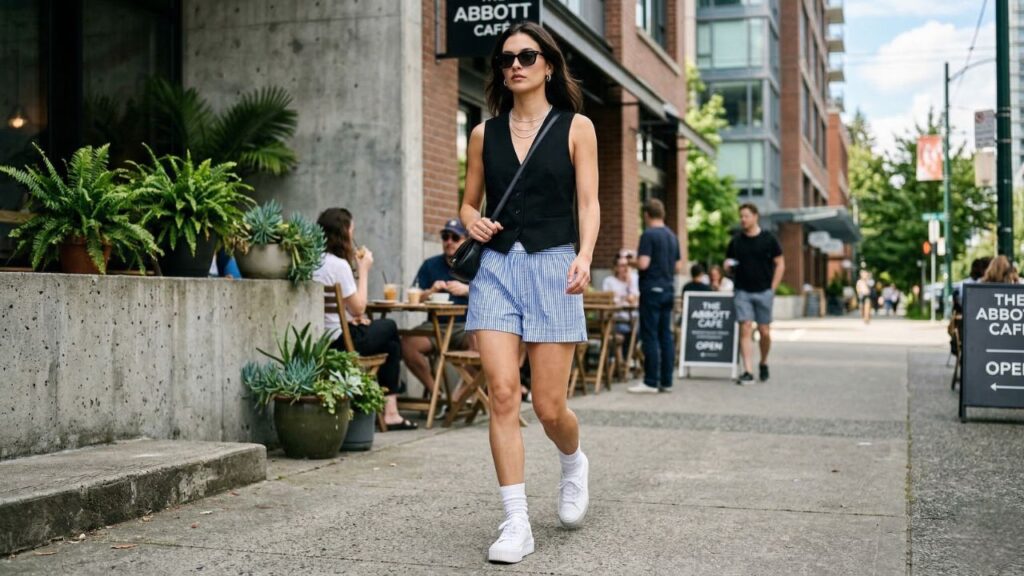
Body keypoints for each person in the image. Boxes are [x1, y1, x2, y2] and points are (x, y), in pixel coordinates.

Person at [460, 22, 599, 564]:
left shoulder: (576, 127)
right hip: (496, 269)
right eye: (505, 58)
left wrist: (585, 256)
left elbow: (588, 203)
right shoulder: (482, 134)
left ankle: (573, 463)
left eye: (526, 55)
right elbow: (470, 203)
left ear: (548, 64)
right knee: (500, 392)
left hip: (554, 266)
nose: (514, 64)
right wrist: (471, 222)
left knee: (549, 406)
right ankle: (516, 520)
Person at [313, 208, 418, 431]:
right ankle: (390, 413)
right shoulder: (338, 265)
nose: (353, 236)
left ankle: (391, 412)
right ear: (344, 233)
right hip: (341, 342)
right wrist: (364, 269)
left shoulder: (312, 262)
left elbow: (345, 311)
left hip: (318, 340)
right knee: (389, 327)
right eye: (352, 230)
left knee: (389, 343)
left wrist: (352, 320)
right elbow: (359, 307)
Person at [401, 219, 475, 399]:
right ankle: (437, 394)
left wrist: (467, 290)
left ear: (465, 240)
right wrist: (430, 291)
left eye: (455, 237)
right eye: (445, 237)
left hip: (465, 326)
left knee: (484, 345)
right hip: (435, 326)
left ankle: (458, 398)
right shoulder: (430, 265)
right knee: (406, 344)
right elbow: (413, 297)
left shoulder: (474, 264)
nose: (449, 241)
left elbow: (491, 294)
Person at [725, 203, 784, 385]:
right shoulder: (736, 241)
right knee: (745, 327)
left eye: (746, 216)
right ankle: (748, 371)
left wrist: (773, 288)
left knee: (764, 331)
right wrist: (726, 267)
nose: (743, 220)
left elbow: (780, 263)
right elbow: (727, 264)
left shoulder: (769, 239)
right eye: (741, 216)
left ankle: (763, 362)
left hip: (764, 291)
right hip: (742, 291)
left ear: (755, 216)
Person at [627, 199, 682, 394]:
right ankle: (666, 381)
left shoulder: (649, 235)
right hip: (668, 289)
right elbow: (678, 266)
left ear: (646, 215)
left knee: (650, 335)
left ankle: (650, 381)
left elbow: (643, 264)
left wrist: (630, 262)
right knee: (665, 335)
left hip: (651, 289)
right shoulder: (672, 236)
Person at [603, 255, 640, 363]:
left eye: (627, 265)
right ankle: (618, 361)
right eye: (622, 265)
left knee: (635, 329)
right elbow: (609, 300)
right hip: (614, 318)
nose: (625, 268)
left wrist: (629, 283)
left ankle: (623, 360)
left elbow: (633, 299)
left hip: (632, 317)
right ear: (615, 268)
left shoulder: (634, 278)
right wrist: (624, 298)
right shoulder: (609, 281)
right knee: (620, 328)